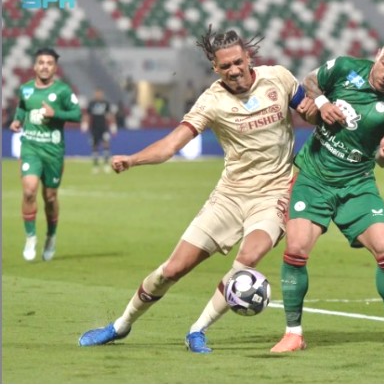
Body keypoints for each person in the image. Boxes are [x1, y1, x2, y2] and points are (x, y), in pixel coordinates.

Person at [78, 27, 310, 353]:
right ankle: (120, 325)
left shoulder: (279, 78)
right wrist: (133, 159)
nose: (234, 70)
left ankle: (197, 330)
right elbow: (171, 144)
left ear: (248, 58)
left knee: (249, 258)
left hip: (273, 195)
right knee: (172, 269)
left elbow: (311, 110)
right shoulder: (212, 101)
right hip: (229, 196)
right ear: (215, 67)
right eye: (225, 66)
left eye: (238, 62)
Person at [270, 32, 384, 353]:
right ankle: (293, 333)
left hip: (357, 184)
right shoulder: (346, 67)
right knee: (296, 247)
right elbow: (310, 81)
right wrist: (322, 103)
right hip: (314, 178)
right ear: (378, 54)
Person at [9, 47, 82, 262]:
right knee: (29, 191)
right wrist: (17, 120)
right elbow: (22, 107)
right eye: (41, 62)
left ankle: (51, 236)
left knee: (50, 198)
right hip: (30, 148)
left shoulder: (63, 91)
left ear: (55, 68)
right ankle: (30, 237)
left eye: (49, 63)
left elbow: (77, 114)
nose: (45, 66)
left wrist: (55, 113)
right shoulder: (25, 89)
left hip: (53, 151)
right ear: (34, 66)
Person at [81, 88, 118, 174]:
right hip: (94, 128)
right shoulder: (91, 104)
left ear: (102, 94)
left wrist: (113, 127)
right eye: (97, 93)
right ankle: (96, 165)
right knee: (94, 146)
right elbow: (87, 115)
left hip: (103, 128)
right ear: (95, 94)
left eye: (100, 93)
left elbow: (110, 115)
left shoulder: (106, 103)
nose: (98, 95)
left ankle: (106, 164)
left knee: (106, 144)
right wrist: (85, 124)